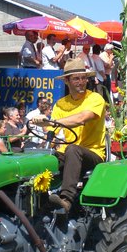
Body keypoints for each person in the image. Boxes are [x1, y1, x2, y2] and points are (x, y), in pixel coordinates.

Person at [32, 58, 106, 213]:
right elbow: (52, 133)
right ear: (67, 81)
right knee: (43, 158)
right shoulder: (60, 104)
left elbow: (81, 119)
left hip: (93, 153)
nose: (81, 82)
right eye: (76, 78)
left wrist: (51, 122)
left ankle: (66, 199)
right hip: (68, 153)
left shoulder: (95, 98)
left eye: (83, 78)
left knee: (73, 149)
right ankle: (37, 199)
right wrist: (44, 127)